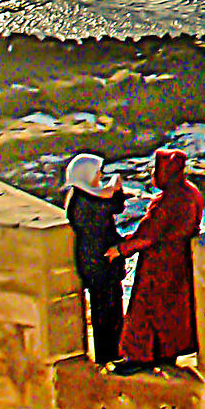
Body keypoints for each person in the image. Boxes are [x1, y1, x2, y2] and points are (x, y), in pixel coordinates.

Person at [108, 146, 202, 372]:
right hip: (181, 261)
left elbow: (147, 235)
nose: (152, 174)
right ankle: (168, 353)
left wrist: (120, 250)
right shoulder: (191, 194)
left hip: (158, 265)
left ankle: (139, 357)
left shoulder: (167, 202)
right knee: (173, 311)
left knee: (145, 310)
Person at [62, 152, 126, 366]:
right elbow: (111, 206)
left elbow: (113, 204)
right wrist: (115, 189)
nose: (99, 176)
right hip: (98, 266)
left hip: (100, 265)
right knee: (105, 313)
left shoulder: (83, 196)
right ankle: (109, 356)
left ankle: (112, 353)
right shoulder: (84, 202)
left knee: (110, 310)